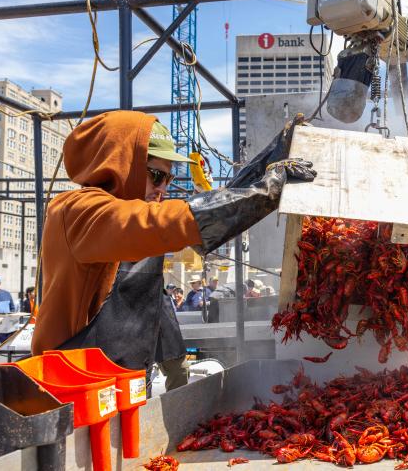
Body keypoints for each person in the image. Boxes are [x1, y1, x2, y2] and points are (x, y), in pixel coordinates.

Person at [32, 110, 315, 382]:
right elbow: (168, 221)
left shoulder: (137, 221)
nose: (163, 188)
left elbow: (194, 222)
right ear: (121, 163)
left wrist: (268, 162)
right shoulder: (76, 210)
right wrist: (266, 191)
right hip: (70, 387)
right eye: (156, 175)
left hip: (119, 385)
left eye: (168, 178)